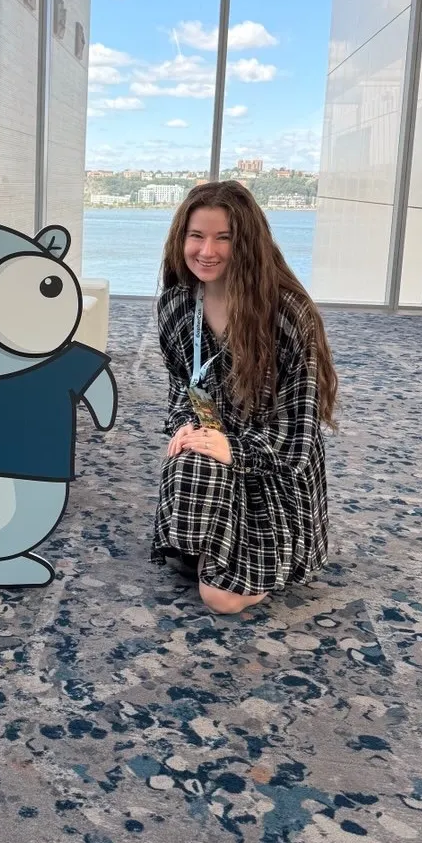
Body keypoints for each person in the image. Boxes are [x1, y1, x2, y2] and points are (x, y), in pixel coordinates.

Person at [152, 181, 339, 615]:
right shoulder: (176, 305)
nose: (206, 250)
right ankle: (207, 543)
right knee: (189, 459)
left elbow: (297, 439)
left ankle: (259, 551)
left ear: (248, 243)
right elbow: (182, 387)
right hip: (217, 447)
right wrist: (186, 424)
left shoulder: (288, 314)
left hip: (274, 471)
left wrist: (232, 448)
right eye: (196, 236)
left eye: (224, 238)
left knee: (221, 599)